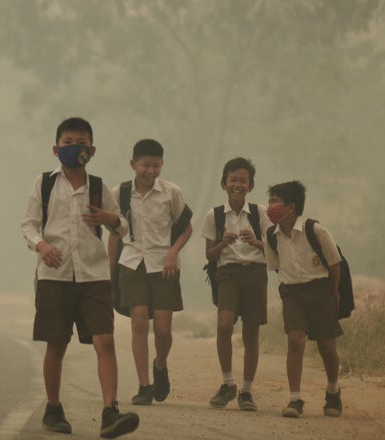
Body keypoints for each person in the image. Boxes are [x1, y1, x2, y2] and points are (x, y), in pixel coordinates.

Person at [21, 117, 139, 439]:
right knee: (56, 344)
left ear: (92, 150)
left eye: (81, 143)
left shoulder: (100, 187)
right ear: (56, 148)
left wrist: (110, 218)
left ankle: (109, 412)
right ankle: (54, 408)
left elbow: (122, 226)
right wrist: (41, 244)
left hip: (94, 274)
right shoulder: (44, 183)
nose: (75, 148)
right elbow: (28, 224)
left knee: (105, 341)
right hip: (54, 276)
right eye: (69, 142)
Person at [108, 139, 192, 406]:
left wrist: (172, 253)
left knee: (164, 331)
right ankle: (144, 385)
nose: (150, 171)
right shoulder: (119, 194)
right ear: (133, 164)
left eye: (155, 165)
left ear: (162, 165)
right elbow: (114, 235)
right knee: (139, 322)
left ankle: (160, 364)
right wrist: (111, 272)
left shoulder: (171, 192)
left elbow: (186, 228)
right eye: (145, 165)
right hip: (131, 263)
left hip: (163, 265)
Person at [264, 181, 343, 418]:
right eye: (269, 202)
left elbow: (334, 262)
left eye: (274, 202)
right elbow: (276, 267)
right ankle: (295, 398)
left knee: (327, 346)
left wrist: (334, 291)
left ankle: (332, 390)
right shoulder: (271, 236)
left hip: (321, 290)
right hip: (292, 292)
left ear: (291, 206)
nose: (270, 207)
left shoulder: (315, 230)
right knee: (295, 341)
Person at [201, 157, 271, 411]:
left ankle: (247, 391)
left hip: (255, 273)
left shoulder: (261, 213)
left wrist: (256, 242)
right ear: (223, 184)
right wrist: (222, 244)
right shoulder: (215, 215)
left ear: (251, 185)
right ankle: (228, 382)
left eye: (243, 181)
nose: (238, 185)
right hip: (227, 273)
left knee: (251, 331)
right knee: (224, 324)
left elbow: (275, 249)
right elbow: (209, 254)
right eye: (233, 180)